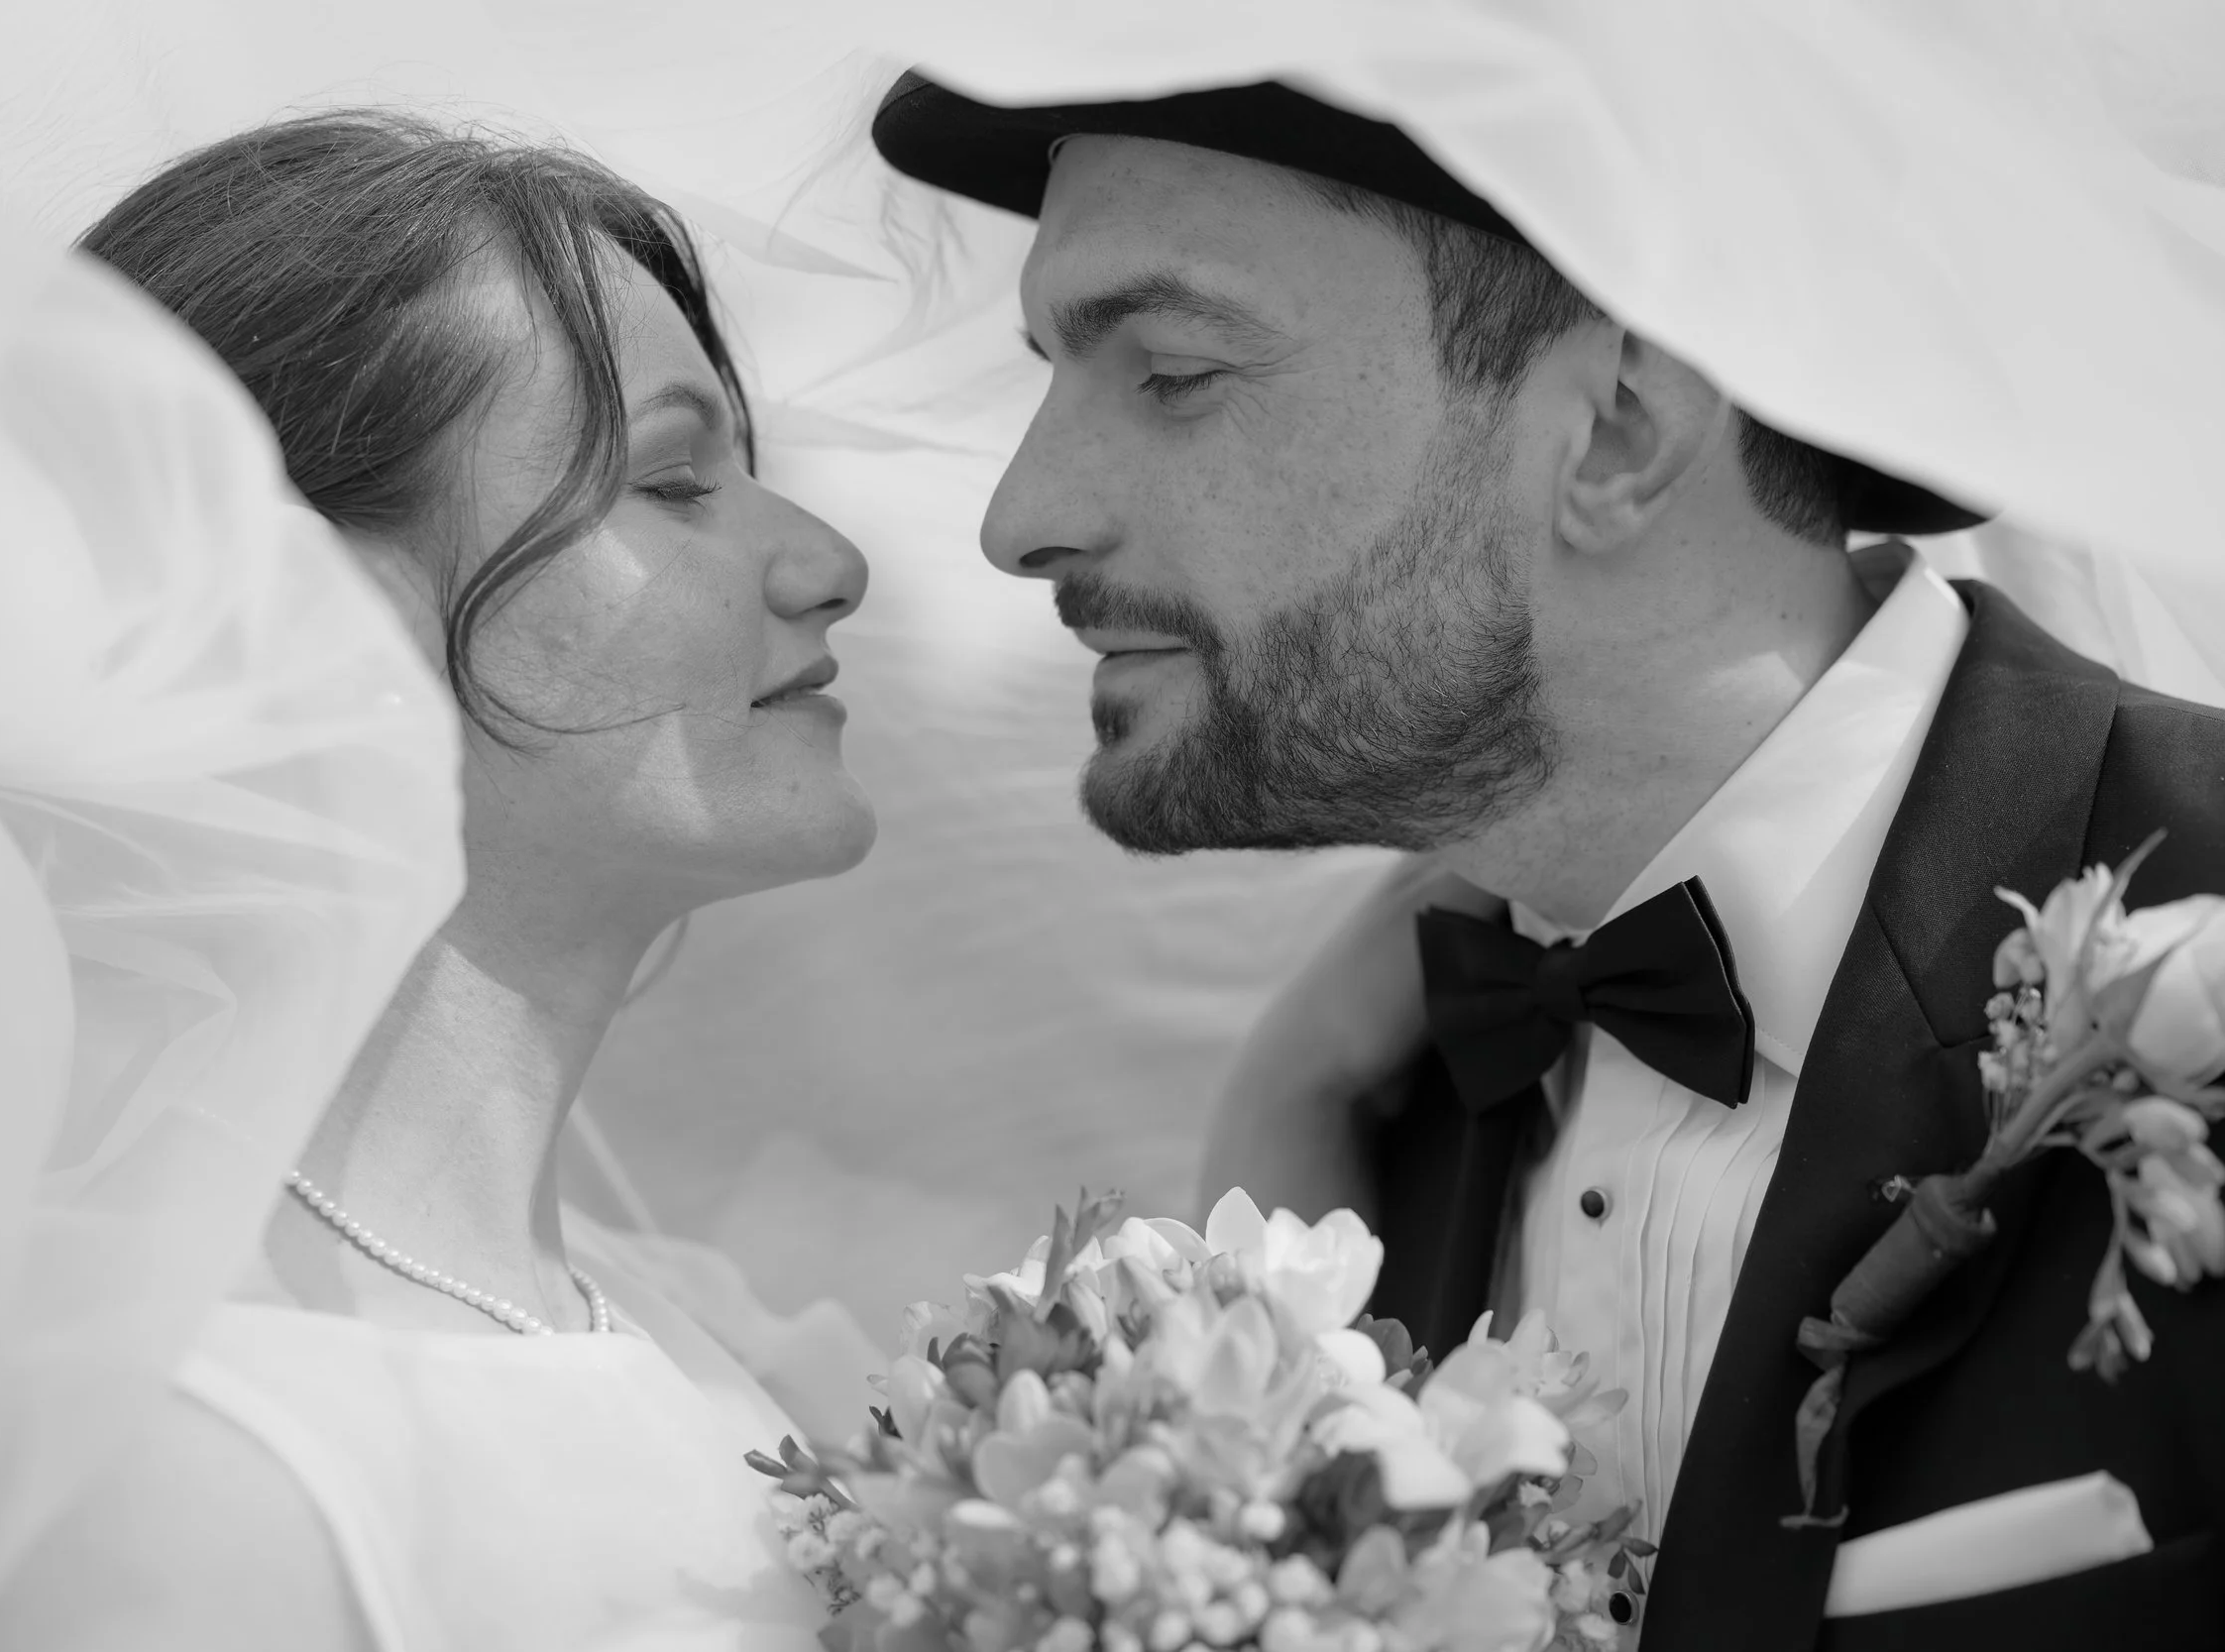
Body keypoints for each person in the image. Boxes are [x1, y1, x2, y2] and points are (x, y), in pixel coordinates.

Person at [871, 75, 2225, 1650]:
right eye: (1050, 375)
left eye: (1172, 371)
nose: (1020, 516)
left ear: (1617, 435)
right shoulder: (1375, 1116)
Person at [0, 111, 874, 1650]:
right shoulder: (185, 1488)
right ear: (315, 615)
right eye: (677, 483)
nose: (829, 559)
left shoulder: (701, 1352)